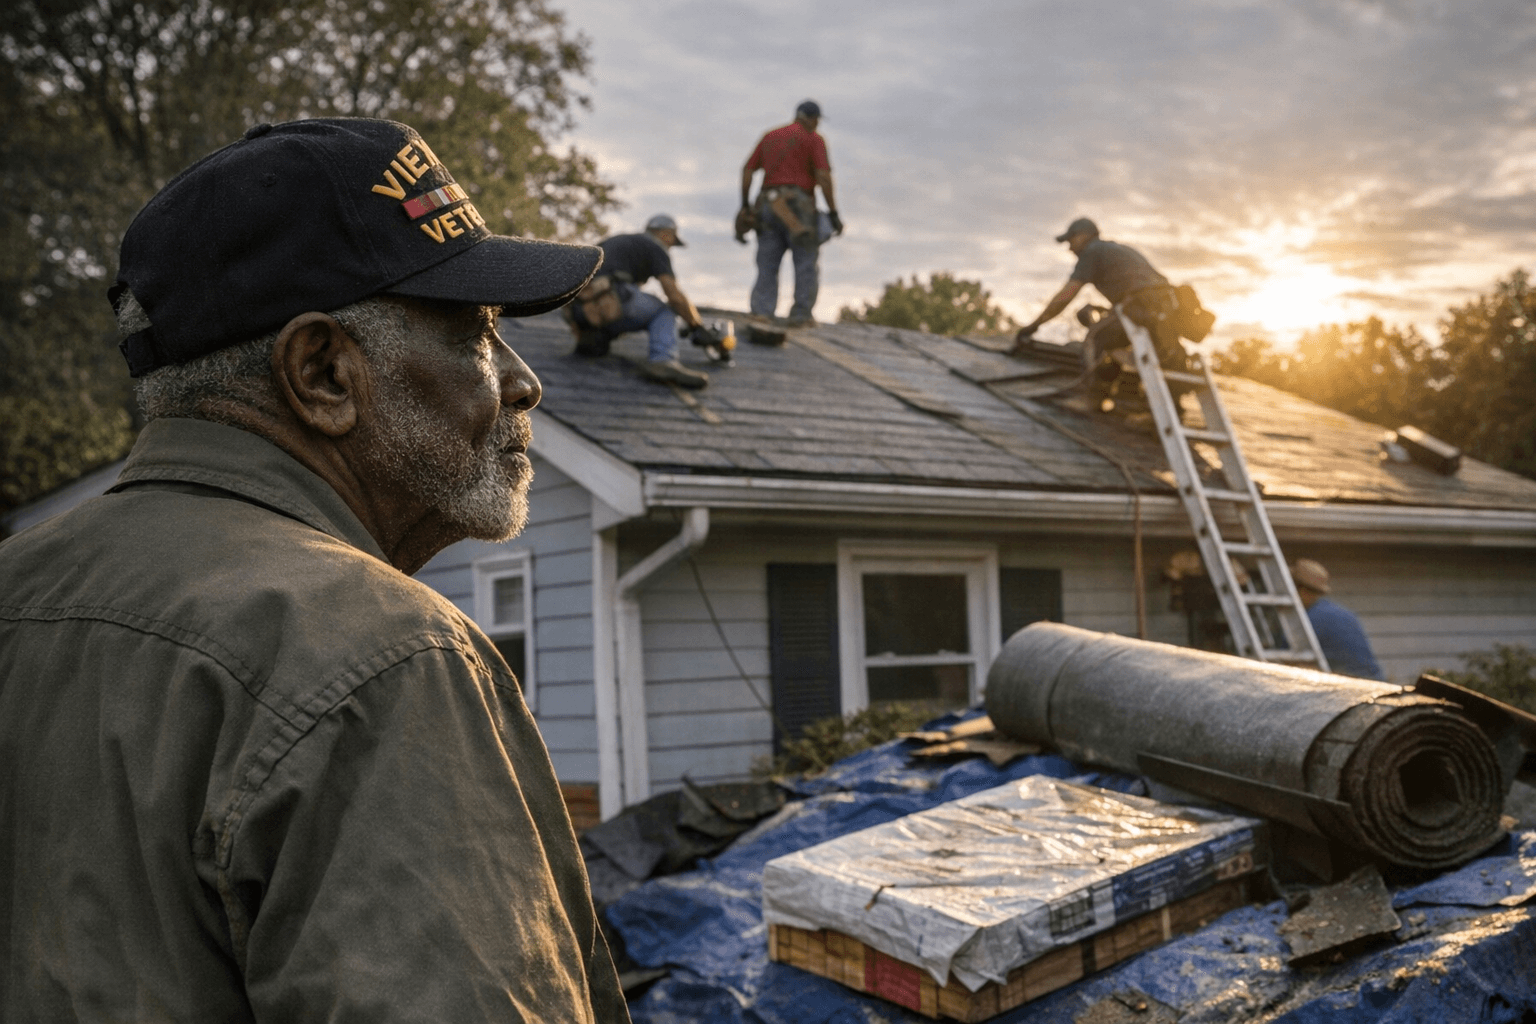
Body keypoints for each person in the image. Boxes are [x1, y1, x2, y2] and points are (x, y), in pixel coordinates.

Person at [0, 118, 629, 1022]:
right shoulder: (381, 658)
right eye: (480, 334)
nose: (524, 382)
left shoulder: (18, 589)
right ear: (324, 372)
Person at [1013, 217, 1191, 378]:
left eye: (1071, 240)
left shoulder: (1092, 251)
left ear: (1084, 235)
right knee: (1162, 357)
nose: (1070, 247)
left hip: (1144, 308)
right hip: (1168, 311)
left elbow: (1065, 296)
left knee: (1095, 339)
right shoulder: (1117, 249)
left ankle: (1094, 401)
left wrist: (1034, 325)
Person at [568, 213, 709, 389]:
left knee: (624, 306)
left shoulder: (617, 241)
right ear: (665, 233)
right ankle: (663, 360)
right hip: (614, 299)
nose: (670, 246)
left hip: (580, 310)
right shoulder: (655, 247)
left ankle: (592, 339)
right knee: (664, 311)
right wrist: (697, 326)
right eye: (672, 241)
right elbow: (674, 295)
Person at [741, 99, 843, 326]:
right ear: (812, 118)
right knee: (806, 260)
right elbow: (824, 177)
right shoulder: (813, 140)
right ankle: (800, 315)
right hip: (799, 206)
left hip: (768, 203)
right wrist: (834, 212)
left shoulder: (770, 136)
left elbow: (747, 170)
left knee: (767, 260)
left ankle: (762, 312)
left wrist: (745, 204)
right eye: (817, 120)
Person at [1291, 558, 1386, 680]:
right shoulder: (1336, 611)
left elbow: (1282, 658)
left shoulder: (1310, 619)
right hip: (1375, 685)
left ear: (1302, 590)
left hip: (1352, 691)